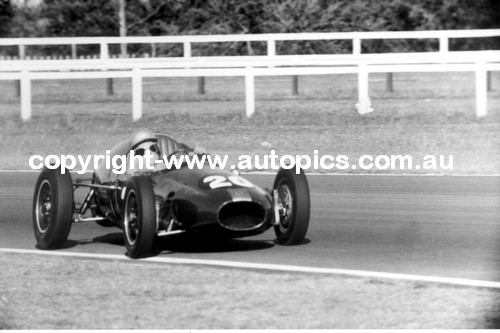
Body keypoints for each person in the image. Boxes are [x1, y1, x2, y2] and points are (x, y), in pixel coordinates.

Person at [95, 128, 206, 183]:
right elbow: (127, 178)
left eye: (153, 148)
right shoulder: (132, 164)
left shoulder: (168, 159)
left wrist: (199, 156)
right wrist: (150, 171)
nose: (149, 153)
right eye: (142, 151)